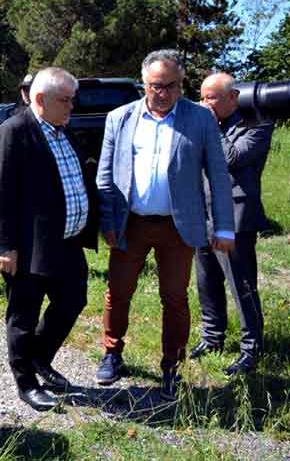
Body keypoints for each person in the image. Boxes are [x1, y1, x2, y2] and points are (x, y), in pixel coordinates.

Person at [95, 49, 234, 400]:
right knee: (118, 291)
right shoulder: (120, 118)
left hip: (178, 227)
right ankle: (112, 352)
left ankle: (172, 365)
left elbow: (218, 176)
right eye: (156, 85)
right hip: (130, 223)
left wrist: (223, 227)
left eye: (172, 85)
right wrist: (108, 220)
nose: (164, 93)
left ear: (181, 84)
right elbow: (105, 176)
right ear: (144, 83)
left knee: (174, 298)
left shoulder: (200, 119)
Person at [0, 67, 98, 412]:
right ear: (39, 99)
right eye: (64, 100)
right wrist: (6, 246)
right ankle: (26, 382)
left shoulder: (64, 130)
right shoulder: (13, 132)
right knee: (23, 316)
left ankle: (38, 357)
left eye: (72, 100)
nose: (71, 106)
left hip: (66, 241)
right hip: (26, 246)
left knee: (72, 301)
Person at [191, 72, 273, 375]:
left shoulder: (258, 123)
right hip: (203, 213)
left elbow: (233, 158)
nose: (205, 104)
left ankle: (252, 348)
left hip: (235, 218)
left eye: (211, 98)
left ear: (233, 97)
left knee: (242, 285)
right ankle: (212, 337)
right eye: (202, 97)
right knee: (207, 281)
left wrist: (210, 127)